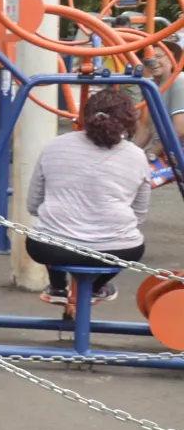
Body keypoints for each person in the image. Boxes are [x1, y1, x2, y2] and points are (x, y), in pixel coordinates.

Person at [27, 90, 151, 304]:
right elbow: (139, 213)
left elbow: (33, 204)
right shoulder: (136, 156)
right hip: (117, 250)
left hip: (51, 249)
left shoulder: (55, 146)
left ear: (86, 116)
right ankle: (96, 286)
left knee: (46, 229)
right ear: (129, 120)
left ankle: (57, 285)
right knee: (133, 244)